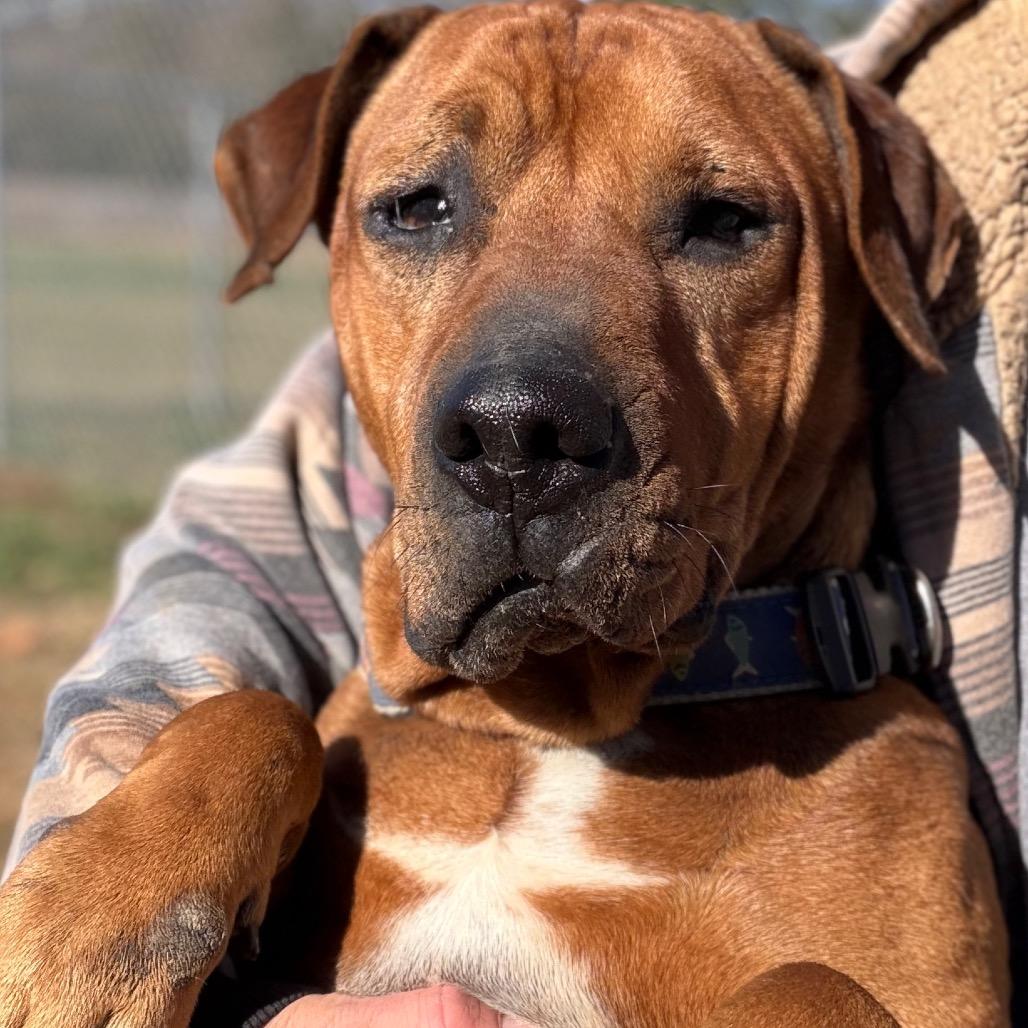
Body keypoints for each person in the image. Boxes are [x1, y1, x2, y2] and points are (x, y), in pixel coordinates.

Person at [4, 0, 1026, 1023]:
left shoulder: (879, 820)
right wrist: (211, 779)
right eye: (420, 211)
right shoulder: (288, 779)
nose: (515, 409)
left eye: (719, 223)